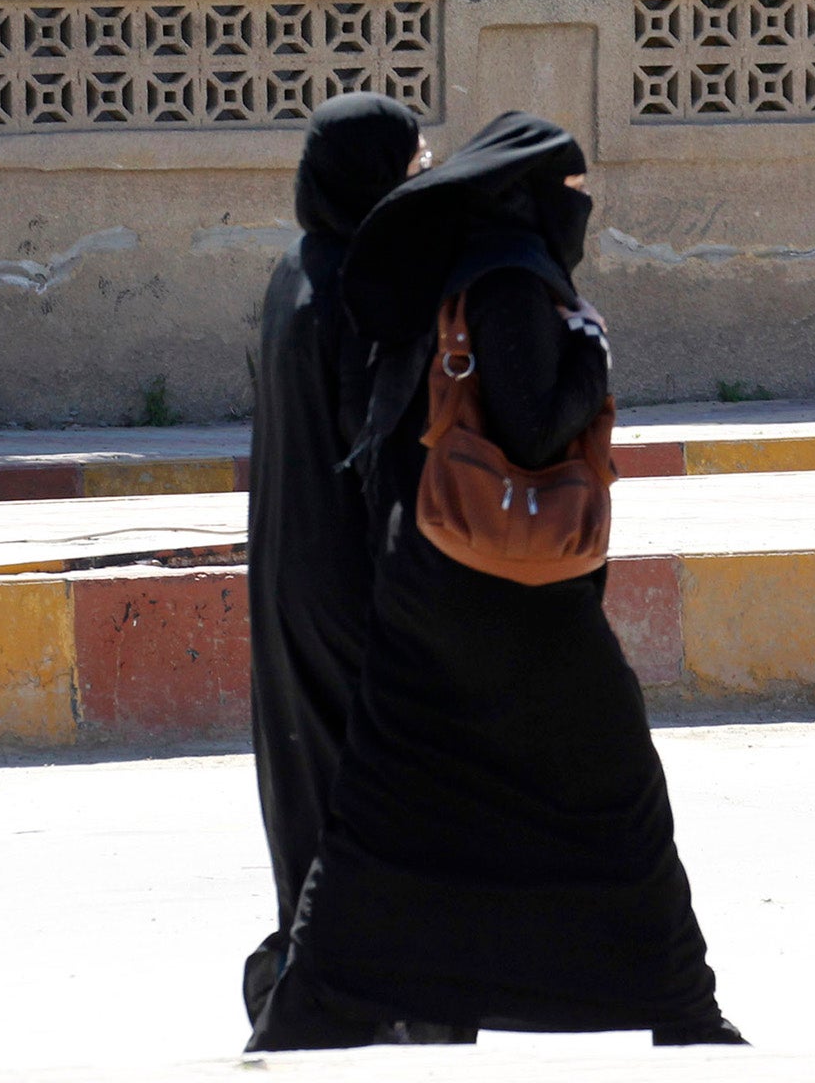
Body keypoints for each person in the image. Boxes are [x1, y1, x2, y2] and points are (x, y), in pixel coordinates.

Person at [246, 112, 744, 1051]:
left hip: (336, 585)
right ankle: (678, 1013)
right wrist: (590, 354)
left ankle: (317, 1004)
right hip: (406, 593)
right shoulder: (475, 282)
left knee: (366, 813)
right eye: (573, 188)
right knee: (587, 801)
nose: (584, 205)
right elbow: (505, 424)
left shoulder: (331, 278)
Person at [243, 93, 428, 1024]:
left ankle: (308, 972)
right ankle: (334, 993)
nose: (424, 175)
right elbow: (374, 445)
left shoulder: (294, 272)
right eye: (411, 163)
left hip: (284, 572)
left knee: (308, 781)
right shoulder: (357, 286)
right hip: (347, 581)